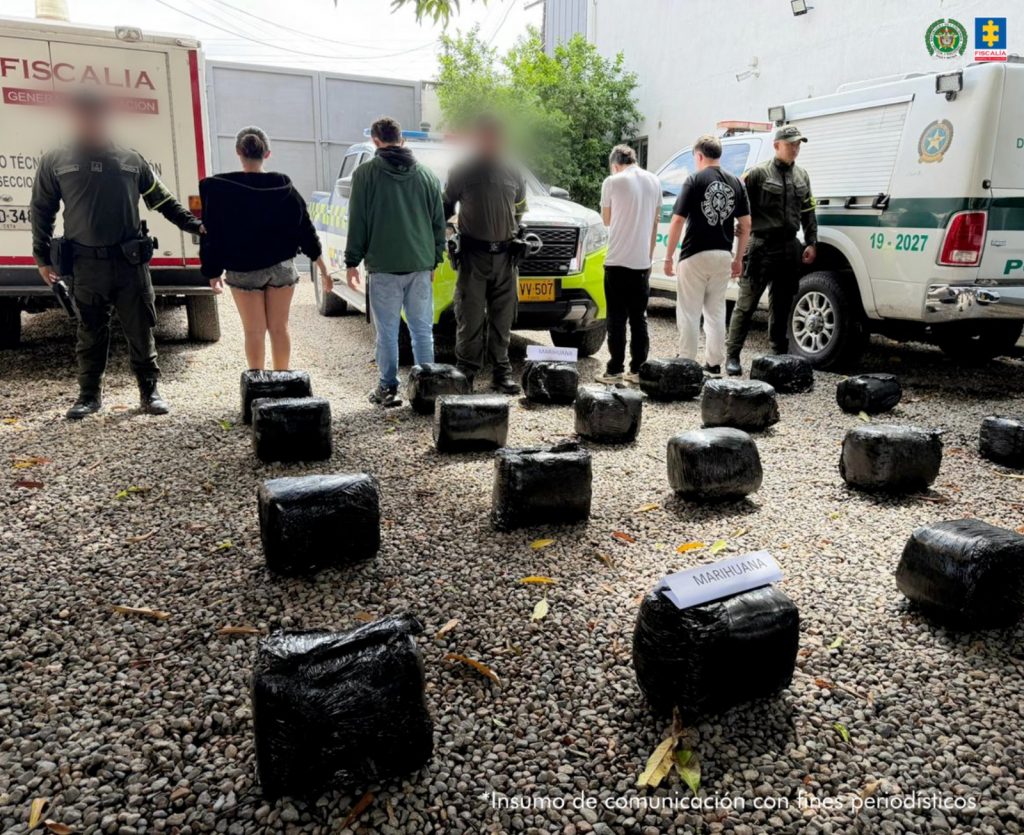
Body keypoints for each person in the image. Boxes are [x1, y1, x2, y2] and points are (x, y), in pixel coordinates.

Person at [31, 90, 203, 420]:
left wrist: (197, 226)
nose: (90, 123)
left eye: (96, 116)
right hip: (86, 265)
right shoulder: (57, 160)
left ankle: (149, 391)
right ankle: (89, 395)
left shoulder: (130, 160)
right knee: (90, 331)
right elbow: (42, 209)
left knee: (141, 328)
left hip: (129, 264)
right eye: (83, 116)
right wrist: (41, 257)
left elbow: (164, 202)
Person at [199, 126, 331, 371]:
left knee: (253, 332)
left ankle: (257, 388)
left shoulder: (220, 191)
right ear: (267, 154)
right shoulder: (285, 189)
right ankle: (283, 383)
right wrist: (322, 269)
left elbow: (212, 234)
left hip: (243, 269)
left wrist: (212, 272)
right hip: (281, 268)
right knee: (280, 329)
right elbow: (306, 231)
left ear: (238, 151)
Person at [345, 116, 446, 408]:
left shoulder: (365, 175)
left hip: (384, 267)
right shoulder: (427, 176)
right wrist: (434, 260)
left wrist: (352, 261)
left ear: (376, 141)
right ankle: (428, 390)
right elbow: (438, 224)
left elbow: (359, 222)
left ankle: (388, 389)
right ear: (402, 140)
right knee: (421, 330)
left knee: (388, 332)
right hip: (420, 265)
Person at [443, 114, 527, 395]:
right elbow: (445, 208)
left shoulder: (514, 171)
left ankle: (501, 373)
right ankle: (466, 371)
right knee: (469, 316)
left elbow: (520, 209)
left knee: (502, 318)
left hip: (505, 258)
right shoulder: (462, 170)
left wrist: (518, 233)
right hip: (473, 257)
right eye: (485, 136)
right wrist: (448, 236)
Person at [725, 125, 817, 376]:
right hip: (761, 246)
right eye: (791, 144)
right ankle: (732, 356)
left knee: (782, 304)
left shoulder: (802, 175)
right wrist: (738, 241)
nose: (795, 148)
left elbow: (809, 210)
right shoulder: (757, 174)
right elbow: (737, 207)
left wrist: (811, 241)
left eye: (798, 144)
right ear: (777, 145)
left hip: (789, 246)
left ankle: (778, 354)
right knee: (746, 304)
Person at [663, 135, 751, 374]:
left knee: (689, 311)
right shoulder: (735, 182)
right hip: (723, 253)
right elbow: (746, 224)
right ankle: (713, 364)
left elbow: (678, 220)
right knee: (716, 311)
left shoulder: (694, 180)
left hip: (694, 254)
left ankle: (687, 363)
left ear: (699, 155)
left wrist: (669, 256)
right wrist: (738, 258)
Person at [596, 144, 661, 384]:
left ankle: (614, 370)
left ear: (615, 165)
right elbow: (655, 223)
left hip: (617, 260)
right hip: (642, 262)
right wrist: (650, 256)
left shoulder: (612, 182)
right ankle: (638, 369)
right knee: (638, 317)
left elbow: (606, 219)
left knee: (616, 316)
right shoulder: (655, 181)